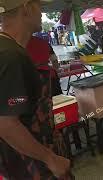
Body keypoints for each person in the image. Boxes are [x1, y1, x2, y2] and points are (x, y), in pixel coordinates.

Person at [0, 0, 71, 179]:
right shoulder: (10, 56)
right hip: (29, 165)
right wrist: (50, 159)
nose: (41, 11)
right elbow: (6, 123)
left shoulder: (8, 49)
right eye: (39, 5)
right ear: (26, 8)